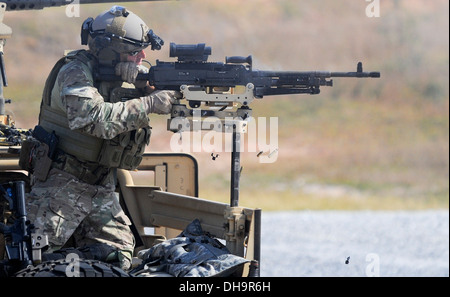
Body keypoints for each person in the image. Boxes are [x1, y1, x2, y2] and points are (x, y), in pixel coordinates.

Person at [24, 5, 180, 270]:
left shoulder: (116, 75)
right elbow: (93, 119)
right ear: (109, 53)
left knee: (119, 257)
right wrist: (149, 103)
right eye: (133, 52)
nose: (142, 56)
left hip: (100, 186)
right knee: (33, 259)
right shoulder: (74, 72)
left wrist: (142, 87)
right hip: (61, 184)